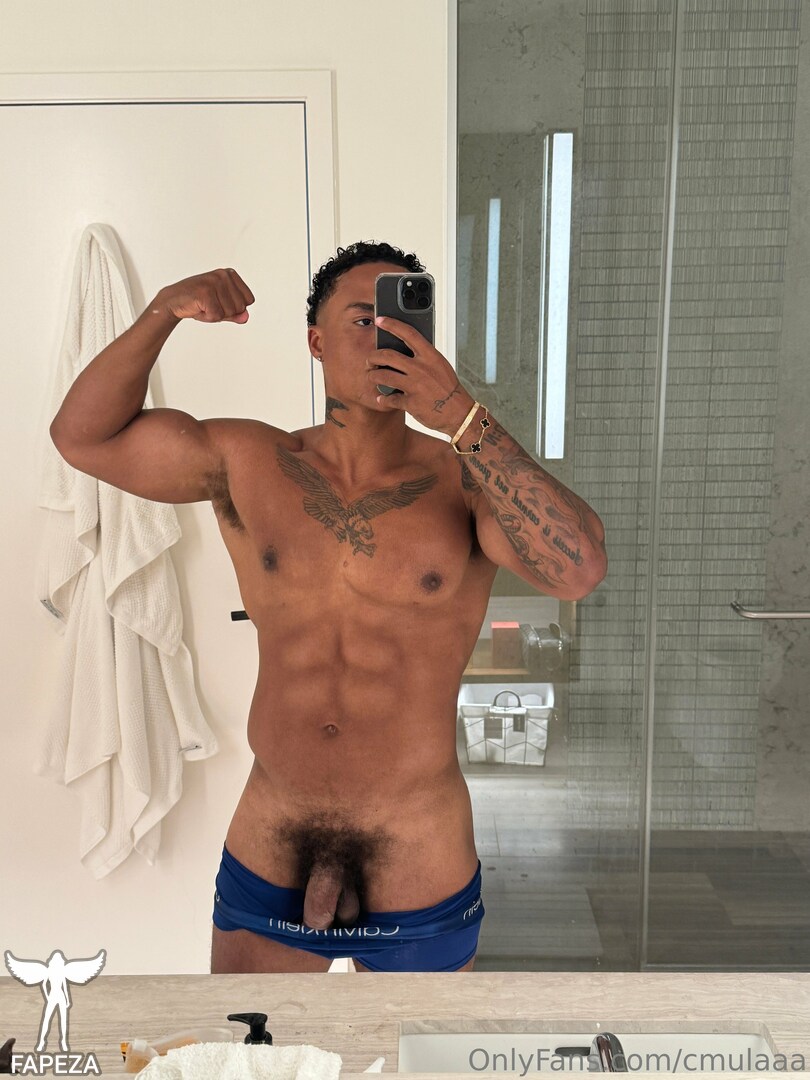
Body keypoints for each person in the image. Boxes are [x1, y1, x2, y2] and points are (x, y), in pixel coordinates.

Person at [50, 240, 607, 973]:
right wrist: (163, 312)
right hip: (274, 834)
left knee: (411, 1043)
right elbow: (82, 437)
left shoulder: (466, 480)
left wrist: (462, 418)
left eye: (402, 320)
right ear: (316, 342)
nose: (385, 336)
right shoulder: (249, 461)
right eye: (362, 320)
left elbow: (577, 570)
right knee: (256, 1041)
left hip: (417, 844)